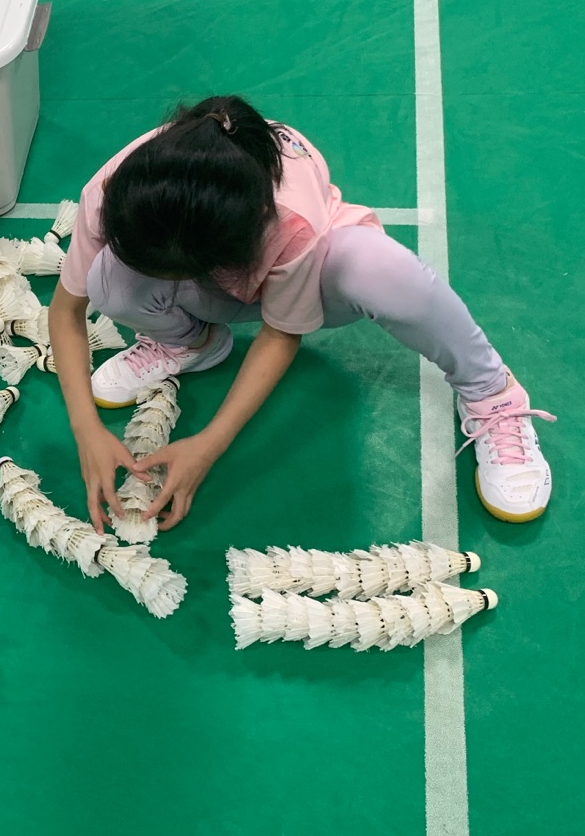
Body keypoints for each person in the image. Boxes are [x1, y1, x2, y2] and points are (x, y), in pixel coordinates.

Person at [48, 96, 554, 532]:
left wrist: (207, 445)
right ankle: (189, 342)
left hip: (305, 275)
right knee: (109, 280)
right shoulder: (114, 193)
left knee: (376, 267)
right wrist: (86, 430)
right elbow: (67, 312)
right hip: (209, 269)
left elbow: (279, 334)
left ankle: (493, 392)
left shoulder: (289, 220)